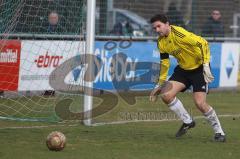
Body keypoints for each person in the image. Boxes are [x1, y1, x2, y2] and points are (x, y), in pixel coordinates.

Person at [149, 14, 226, 142]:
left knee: (200, 103)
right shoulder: (161, 42)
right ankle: (188, 121)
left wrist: (206, 64)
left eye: (159, 26)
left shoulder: (180, 34)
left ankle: (219, 132)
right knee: (166, 95)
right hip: (183, 70)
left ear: (167, 24)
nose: (157, 30)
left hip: (199, 69)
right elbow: (165, 62)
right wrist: (160, 84)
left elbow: (203, 43)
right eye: (154, 28)